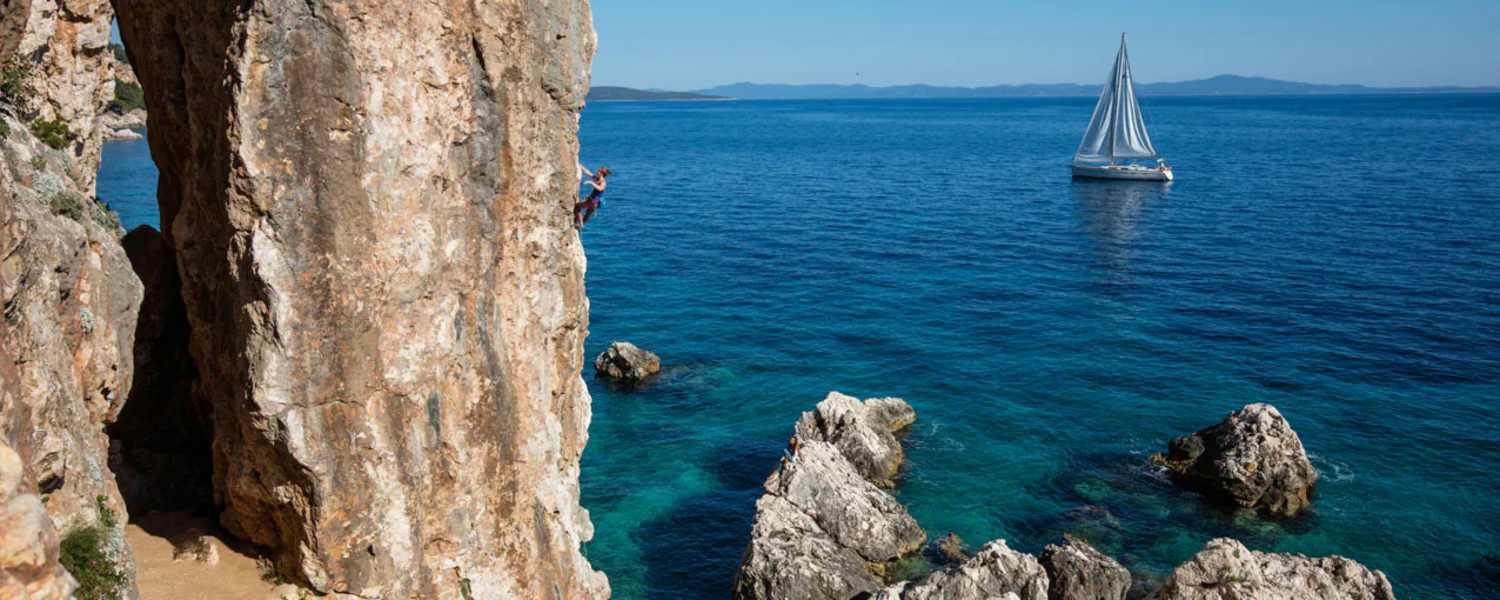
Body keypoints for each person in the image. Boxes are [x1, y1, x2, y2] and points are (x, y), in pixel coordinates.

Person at [574, 164, 611, 229]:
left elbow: (600, 188)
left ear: (601, 173)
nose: (597, 172)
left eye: (598, 171)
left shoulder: (603, 182)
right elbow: (588, 172)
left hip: (593, 201)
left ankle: (581, 224)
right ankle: (581, 224)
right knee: (588, 213)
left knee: (577, 206)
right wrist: (580, 165)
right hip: (594, 201)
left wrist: (591, 183)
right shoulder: (596, 178)